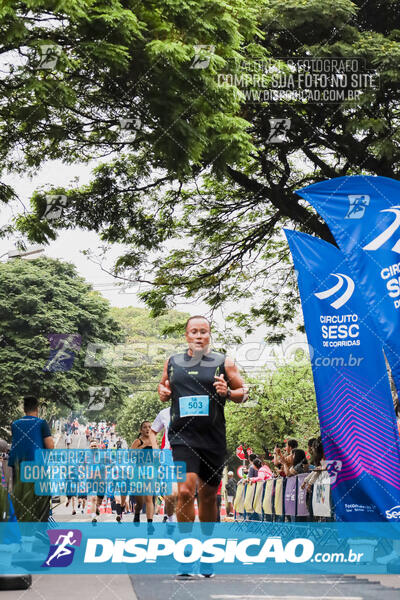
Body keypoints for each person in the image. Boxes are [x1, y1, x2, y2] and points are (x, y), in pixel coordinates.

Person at [158, 315, 248, 524]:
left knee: (208, 496)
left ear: (209, 335)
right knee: (185, 490)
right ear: (186, 335)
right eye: (194, 332)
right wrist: (163, 391)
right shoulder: (172, 363)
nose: (199, 336)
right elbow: (163, 386)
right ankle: (188, 543)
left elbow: (244, 393)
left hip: (212, 438)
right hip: (182, 437)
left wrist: (227, 392)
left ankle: (208, 543)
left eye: (203, 332)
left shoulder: (223, 363)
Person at [8, 396, 54, 521]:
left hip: (18, 467)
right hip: (37, 466)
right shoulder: (41, 423)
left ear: (24, 409)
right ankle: (40, 528)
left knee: (21, 497)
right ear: (37, 408)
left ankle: (23, 528)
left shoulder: (15, 425)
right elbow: (50, 446)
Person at [150, 406, 178, 523]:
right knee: (172, 494)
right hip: (169, 455)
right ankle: (171, 519)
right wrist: (156, 450)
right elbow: (152, 432)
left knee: (185, 494)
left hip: (189, 455)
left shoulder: (195, 409)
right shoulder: (165, 413)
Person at [132, 421, 157, 527]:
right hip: (138, 472)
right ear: (141, 430)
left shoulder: (154, 441)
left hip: (150, 472)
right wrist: (141, 448)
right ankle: (137, 512)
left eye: (149, 427)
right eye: (145, 427)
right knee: (140, 502)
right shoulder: (138, 441)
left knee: (149, 498)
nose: (147, 429)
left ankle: (150, 524)